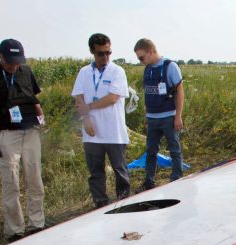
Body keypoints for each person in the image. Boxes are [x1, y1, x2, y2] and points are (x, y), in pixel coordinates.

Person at [0, 39, 45, 242]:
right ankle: (14, 230)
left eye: (17, 62)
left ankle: (36, 224)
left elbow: (35, 101)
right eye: (10, 62)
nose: (14, 66)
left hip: (31, 132)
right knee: (11, 181)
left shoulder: (26, 71)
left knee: (35, 178)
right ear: (0, 56)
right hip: (6, 133)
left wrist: (41, 120)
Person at [72, 33, 131, 208]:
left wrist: (89, 107)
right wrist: (86, 119)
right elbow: (78, 97)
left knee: (120, 170)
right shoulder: (84, 72)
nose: (105, 57)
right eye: (101, 53)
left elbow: (113, 98)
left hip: (114, 131)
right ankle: (100, 204)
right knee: (96, 171)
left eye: (108, 52)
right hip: (92, 133)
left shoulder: (117, 71)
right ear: (92, 51)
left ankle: (124, 203)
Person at [133, 38, 185, 191]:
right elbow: (148, 93)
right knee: (151, 152)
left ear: (150, 52)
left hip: (169, 117)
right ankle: (149, 182)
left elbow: (180, 92)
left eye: (142, 58)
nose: (141, 61)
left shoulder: (170, 66)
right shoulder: (147, 69)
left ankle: (177, 179)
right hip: (152, 118)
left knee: (174, 150)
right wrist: (147, 115)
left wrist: (178, 116)